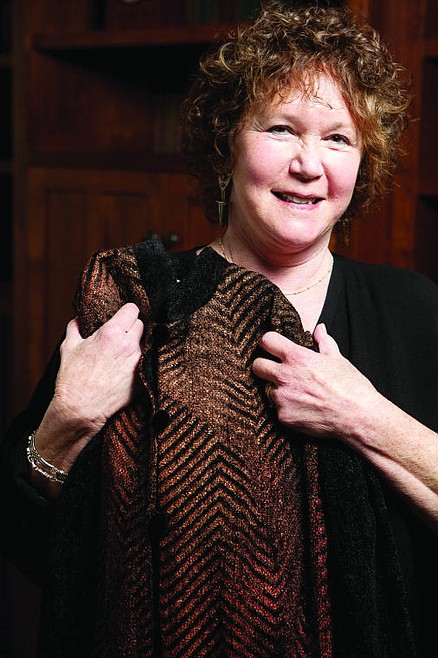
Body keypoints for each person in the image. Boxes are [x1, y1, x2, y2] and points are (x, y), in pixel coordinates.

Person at [1, 1, 437, 656]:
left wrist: (361, 415)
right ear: (227, 139)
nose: (309, 164)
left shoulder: (413, 308)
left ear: (363, 163)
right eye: (282, 129)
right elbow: (32, 546)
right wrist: (68, 420)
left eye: (338, 139)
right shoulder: (135, 301)